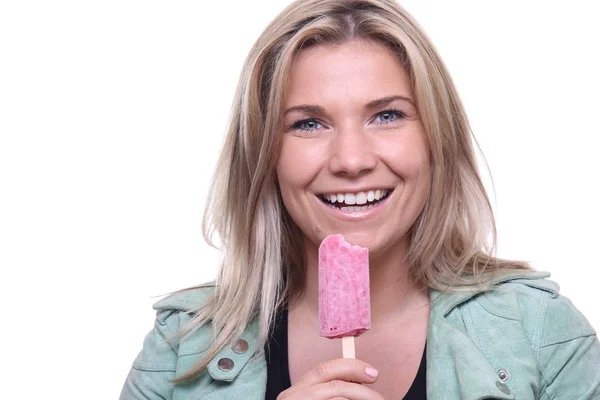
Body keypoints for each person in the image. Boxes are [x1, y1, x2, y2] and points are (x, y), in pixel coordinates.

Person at [120, 0, 600, 398]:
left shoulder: (543, 337)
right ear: (267, 157)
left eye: (387, 115)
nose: (351, 160)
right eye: (308, 123)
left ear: (437, 138)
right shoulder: (180, 348)